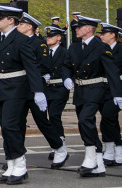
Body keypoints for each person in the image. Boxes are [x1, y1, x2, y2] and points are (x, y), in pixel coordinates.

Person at [0, 5, 48, 185]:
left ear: (11, 20)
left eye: (0, 18)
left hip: (17, 88)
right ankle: (11, 164)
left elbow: (31, 67)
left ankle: (20, 164)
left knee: (12, 126)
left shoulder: (22, 40)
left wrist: (38, 91)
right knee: (5, 127)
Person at [62, 16, 122, 177]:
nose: (76, 29)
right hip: (81, 90)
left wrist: (117, 94)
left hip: (97, 89)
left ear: (89, 29)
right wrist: (67, 77)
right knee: (84, 124)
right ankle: (99, 163)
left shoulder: (100, 47)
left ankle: (90, 156)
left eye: (79, 27)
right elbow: (67, 66)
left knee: (85, 120)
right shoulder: (74, 47)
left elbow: (112, 72)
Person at [17, 13, 68, 167]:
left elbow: (45, 65)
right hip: (19, 88)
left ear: (29, 27)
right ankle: (18, 155)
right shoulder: (17, 42)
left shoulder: (39, 44)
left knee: (42, 121)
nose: (18, 26)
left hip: (34, 88)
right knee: (18, 122)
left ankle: (59, 148)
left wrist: (34, 77)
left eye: (21, 24)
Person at [97, 23, 122, 166]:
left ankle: (114, 148)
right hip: (104, 89)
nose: (101, 36)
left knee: (108, 116)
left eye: (104, 33)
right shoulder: (101, 49)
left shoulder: (120, 50)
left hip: (118, 89)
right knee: (109, 119)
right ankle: (113, 148)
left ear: (113, 35)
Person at [44, 26, 70, 158]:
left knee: (54, 115)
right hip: (47, 88)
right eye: (47, 37)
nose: (48, 38)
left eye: (51, 36)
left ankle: (61, 145)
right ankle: (56, 146)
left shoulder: (64, 52)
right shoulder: (45, 52)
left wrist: (67, 79)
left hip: (60, 87)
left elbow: (68, 67)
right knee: (50, 118)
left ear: (59, 38)